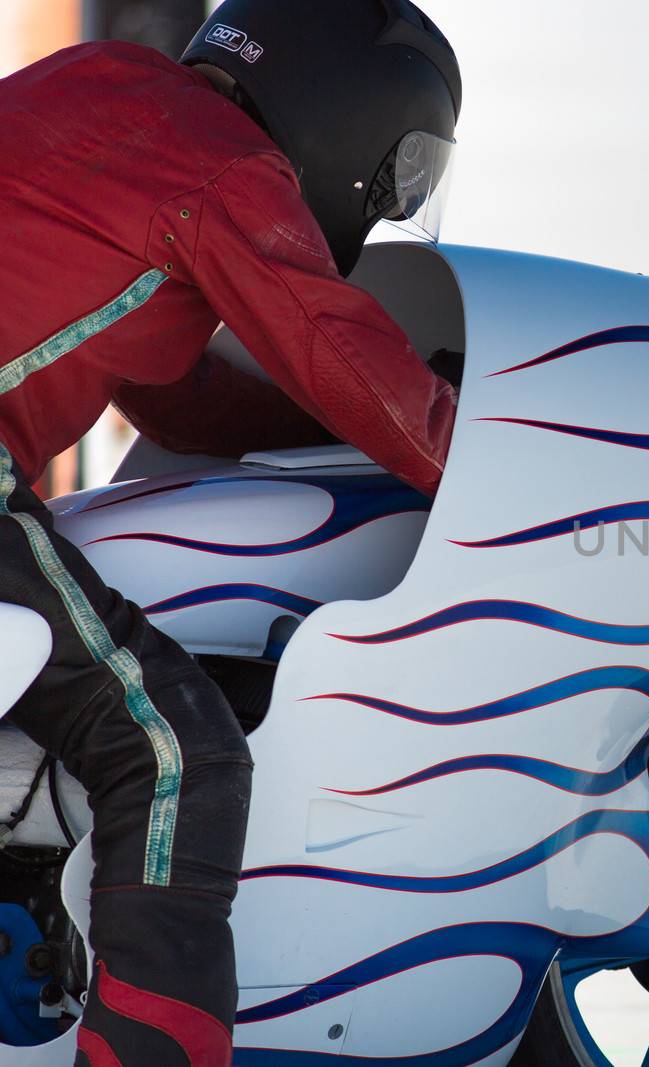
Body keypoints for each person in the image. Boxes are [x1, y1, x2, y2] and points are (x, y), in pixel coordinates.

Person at [0, 1, 461, 1062]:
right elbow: (334, 346)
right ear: (351, 112)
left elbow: (174, 397)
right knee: (175, 749)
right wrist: (485, 452)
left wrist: (315, 426)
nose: (393, 198)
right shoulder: (225, 171)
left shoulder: (110, 85)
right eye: (402, 165)